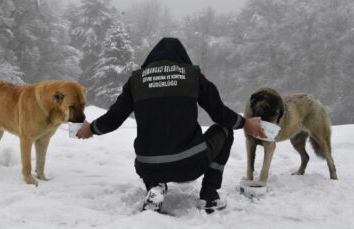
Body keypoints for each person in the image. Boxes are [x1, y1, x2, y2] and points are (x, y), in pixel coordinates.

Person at [77, 38, 266, 214]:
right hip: (191, 164)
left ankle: (154, 187)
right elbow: (220, 114)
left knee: (151, 151)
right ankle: (210, 196)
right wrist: (245, 123)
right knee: (225, 129)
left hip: (149, 167)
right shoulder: (192, 75)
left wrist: (91, 128)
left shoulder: (136, 80)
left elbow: (114, 118)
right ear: (182, 57)